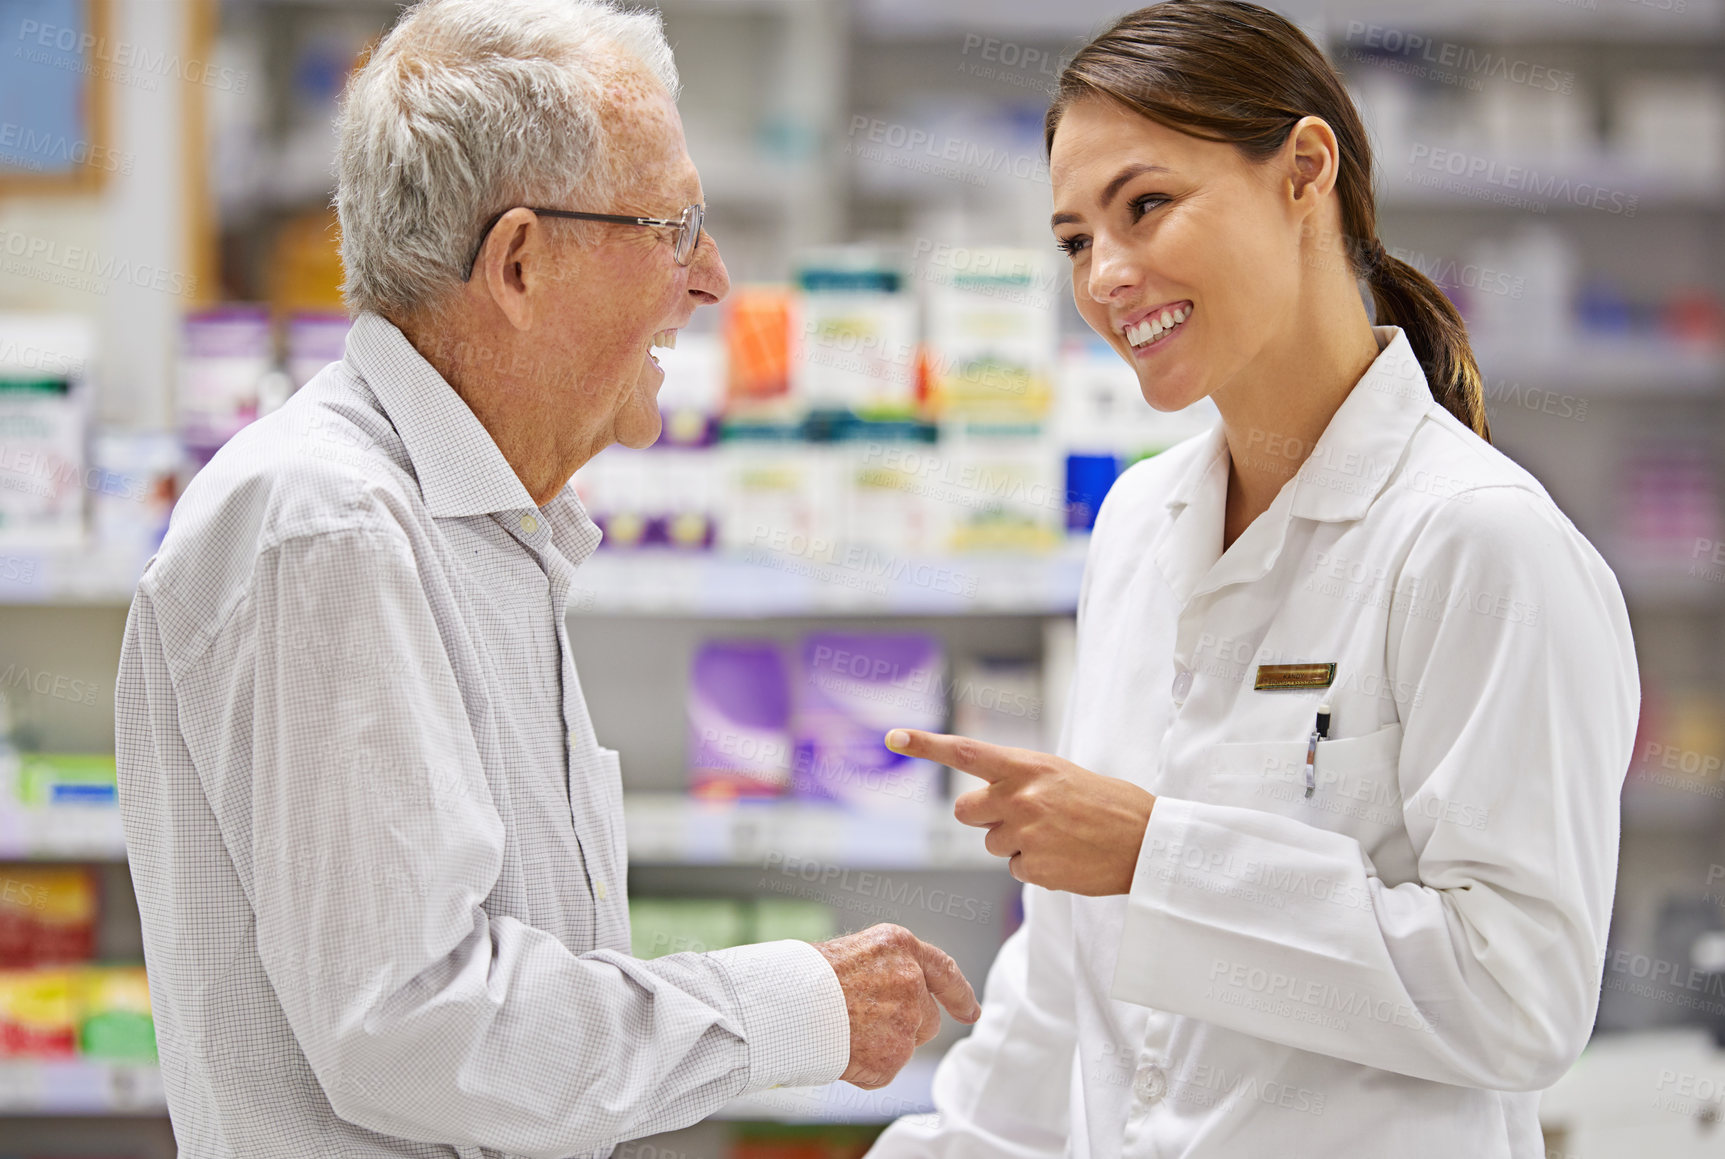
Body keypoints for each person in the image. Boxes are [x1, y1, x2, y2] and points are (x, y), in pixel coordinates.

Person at [114, 2, 977, 1156]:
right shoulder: (331, 527)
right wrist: (786, 1007)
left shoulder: (479, 520)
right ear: (520, 260)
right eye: (672, 227)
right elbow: (414, 1028)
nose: (711, 277)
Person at [868, 3, 1637, 1157]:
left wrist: (1156, 856)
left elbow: (1519, 996)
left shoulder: (1477, 541)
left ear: (1304, 170)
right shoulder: (1138, 522)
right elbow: (1066, 983)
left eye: (1147, 206)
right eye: (1076, 239)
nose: (1109, 275)